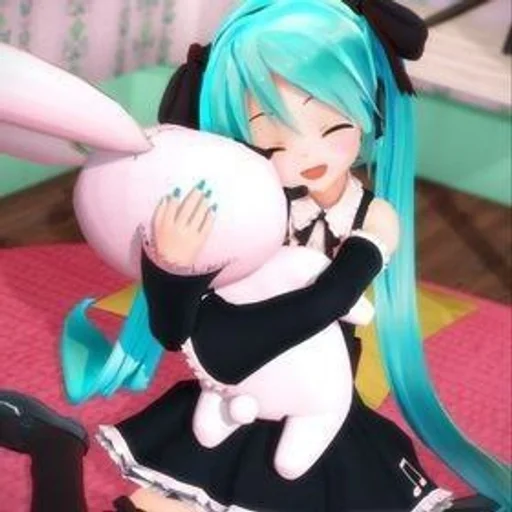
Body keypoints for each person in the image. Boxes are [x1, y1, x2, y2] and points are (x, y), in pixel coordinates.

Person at [91, 1, 509, 510]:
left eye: (331, 124)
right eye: (271, 137)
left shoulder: (375, 219)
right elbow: (173, 331)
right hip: (234, 389)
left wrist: (218, 337)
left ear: (371, 107)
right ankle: (54, 446)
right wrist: (171, 268)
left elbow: (327, 301)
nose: (305, 152)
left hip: (315, 394)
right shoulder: (245, 205)